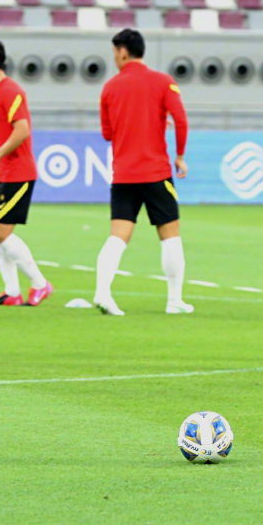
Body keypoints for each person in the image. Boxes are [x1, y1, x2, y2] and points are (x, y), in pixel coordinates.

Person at [93, 28, 191, 316]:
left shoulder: (109, 87)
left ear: (123, 51)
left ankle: (102, 293)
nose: (114, 58)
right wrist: (180, 155)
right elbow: (181, 119)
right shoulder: (163, 82)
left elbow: (107, 133)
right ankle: (174, 300)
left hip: (123, 174)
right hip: (155, 172)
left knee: (118, 235)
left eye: (114, 53)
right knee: (170, 235)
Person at [0, 37, 53, 307]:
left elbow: (22, 130)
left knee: (1, 233)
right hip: (5, 172)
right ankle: (12, 292)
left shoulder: (10, 91)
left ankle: (40, 284)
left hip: (19, 172)